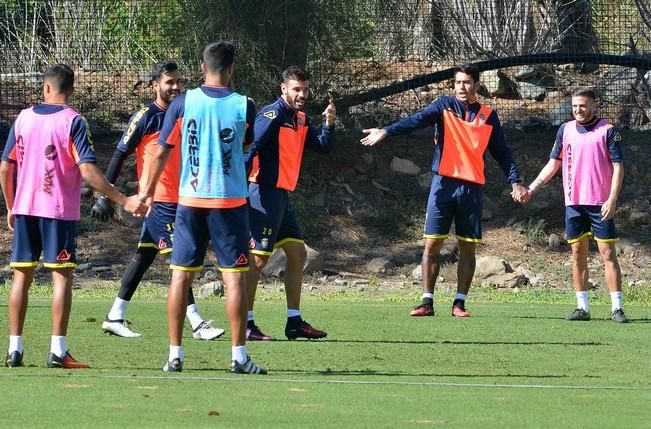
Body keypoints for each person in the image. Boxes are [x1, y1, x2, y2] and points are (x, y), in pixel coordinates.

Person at [0, 64, 146, 368]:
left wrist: (12, 205)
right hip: (57, 212)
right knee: (61, 278)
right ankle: (57, 350)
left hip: (26, 210)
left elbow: (5, 167)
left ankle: (14, 349)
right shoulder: (74, 121)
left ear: (46, 88)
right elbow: (89, 170)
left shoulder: (23, 118)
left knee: (21, 278)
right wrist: (120, 198)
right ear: (72, 89)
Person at [360, 64, 527, 318]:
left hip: (470, 188)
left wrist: (514, 181)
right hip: (443, 184)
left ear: (477, 86)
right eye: (458, 82)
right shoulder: (443, 106)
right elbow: (415, 121)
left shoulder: (488, 116)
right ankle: (426, 302)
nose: (462, 87)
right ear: (453, 85)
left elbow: (502, 152)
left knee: (467, 247)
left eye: (468, 82)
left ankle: (459, 303)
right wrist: (386, 131)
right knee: (432, 244)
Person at [139, 41, 266, 374]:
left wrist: (145, 192)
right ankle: (239, 357)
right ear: (231, 69)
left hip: (190, 203)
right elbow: (245, 143)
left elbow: (161, 150)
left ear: (201, 68)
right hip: (230, 204)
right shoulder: (245, 105)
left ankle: (175, 355)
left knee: (180, 277)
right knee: (235, 279)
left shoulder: (183, 103)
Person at [91, 60, 223, 340]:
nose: (176, 87)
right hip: (159, 201)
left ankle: (115, 315)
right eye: (169, 82)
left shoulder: (186, 113)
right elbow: (119, 154)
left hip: (181, 199)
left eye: (179, 81)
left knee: (144, 257)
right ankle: (198, 324)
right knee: (180, 261)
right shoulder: (146, 116)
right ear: (155, 85)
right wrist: (107, 196)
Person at [244, 66, 335, 341]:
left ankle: (294, 322)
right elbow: (253, 148)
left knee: (297, 254)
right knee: (258, 259)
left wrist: (329, 122)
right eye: (296, 89)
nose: (302, 94)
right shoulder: (272, 115)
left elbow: (322, 147)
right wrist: (237, 186)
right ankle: (246, 324)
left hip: (281, 196)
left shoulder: (301, 119)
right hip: (262, 193)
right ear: (283, 89)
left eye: (305, 89)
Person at [525, 87, 628, 323]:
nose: (578, 110)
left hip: (600, 203)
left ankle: (617, 308)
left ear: (593, 106)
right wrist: (532, 188)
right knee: (577, 253)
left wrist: (612, 199)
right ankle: (582, 307)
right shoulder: (565, 130)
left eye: (582, 105)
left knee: (607, 254)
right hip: (574, 204)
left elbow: (618, 167)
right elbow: (553, 164)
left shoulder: (608, 131)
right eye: (574, 106)